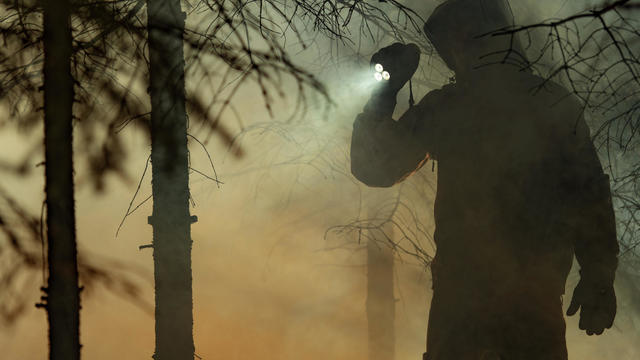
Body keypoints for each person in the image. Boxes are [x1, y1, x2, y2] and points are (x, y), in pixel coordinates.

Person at [349, 0, 619, 359]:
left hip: (463, 308)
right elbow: (589, 195)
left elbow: (374, 167)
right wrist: (598, 275)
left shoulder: (451, 107)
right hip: (529, 304)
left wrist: (383, 93)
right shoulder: (553, 104)